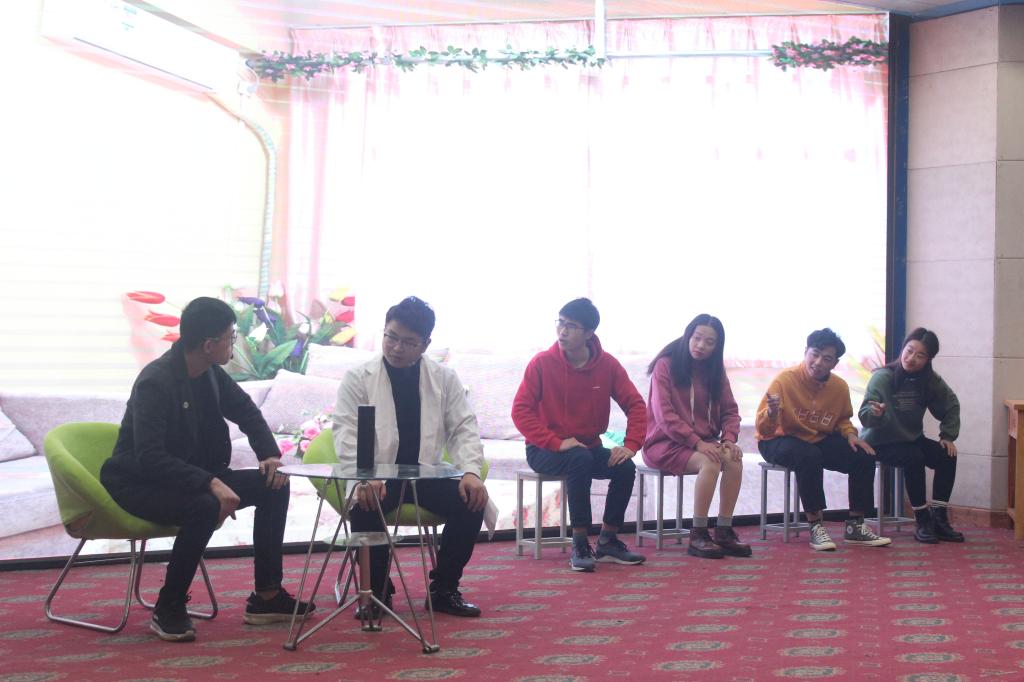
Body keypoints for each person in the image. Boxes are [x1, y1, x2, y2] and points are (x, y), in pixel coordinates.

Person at [101, 297, 314, 643]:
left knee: (274, 484)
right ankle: (168, 606)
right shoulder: (156, 381)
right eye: (231, 337)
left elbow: (247, 412)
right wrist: (210, 482)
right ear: (209, 345)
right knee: (204, 505)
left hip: (193, 476)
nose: (235, 344)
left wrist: (269, 456)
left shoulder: (210, 373)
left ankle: (267, 596)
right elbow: (150, 457)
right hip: (140, 482)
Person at [332, 296, 492, 618]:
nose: (396, 348)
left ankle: (444, 589)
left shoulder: (444, 378)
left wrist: (471, 472)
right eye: (391, 337)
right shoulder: (358, 377)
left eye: (408, 342)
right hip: (377, 474)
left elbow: (463, 429)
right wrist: (365, 477)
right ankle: (377, 594)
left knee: (472, 502)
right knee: (365, 504)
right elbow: (346, 434)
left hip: (425, 474)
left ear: (425, 344)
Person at [512, 297, 647, 572]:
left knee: (625, 467)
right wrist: (557, 442)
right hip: (543, 449)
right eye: (560, 323)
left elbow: (636, 405)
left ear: (589, 333)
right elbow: (520, 411)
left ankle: (608, 540)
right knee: (579, 458)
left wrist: (631, 445)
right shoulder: (541, 363)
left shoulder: (607, 365)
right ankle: (580, 543)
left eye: (571, 326)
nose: (562, 331)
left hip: (587, 446)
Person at [755, 328, 891, 551]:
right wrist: (771, 413)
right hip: (776, 438)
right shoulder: (785, 381)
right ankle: (816, 525)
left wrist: (850, 435)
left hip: (815, 438)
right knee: (809, 456)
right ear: (806, 352)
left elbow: (842, 420)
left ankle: (856, 525)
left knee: (863, 455)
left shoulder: (839, 387)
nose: (818, 362)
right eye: (814, 354)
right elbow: (763, 429)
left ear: (834, 363)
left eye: (826, 358)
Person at [643, 314, 750, 559]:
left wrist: (729, 439)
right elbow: (664, 416)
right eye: (697, 338)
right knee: (710, 461)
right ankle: (698, 533)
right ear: (688, 336)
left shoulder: (715, 371)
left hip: (702, 443)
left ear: (717, 347)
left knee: (733, 459)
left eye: (709, 342)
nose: (701, 345)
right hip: (664, 443)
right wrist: (697, 443)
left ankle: (724, 530)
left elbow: (730, 411)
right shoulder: (666, 365)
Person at [859, 328, 964, 543]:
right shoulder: (883, 377)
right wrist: (875, 413)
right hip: (880, 442)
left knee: (947, 454)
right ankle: (922, 520)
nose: (911, 358)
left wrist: (947, 436)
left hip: (911, 439)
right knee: (913, 457)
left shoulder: (929, 380)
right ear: (903, 348)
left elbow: (951, 404)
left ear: (928, 360)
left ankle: (939, 518)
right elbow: (865, 414)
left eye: (920, 355)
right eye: (909, 351)